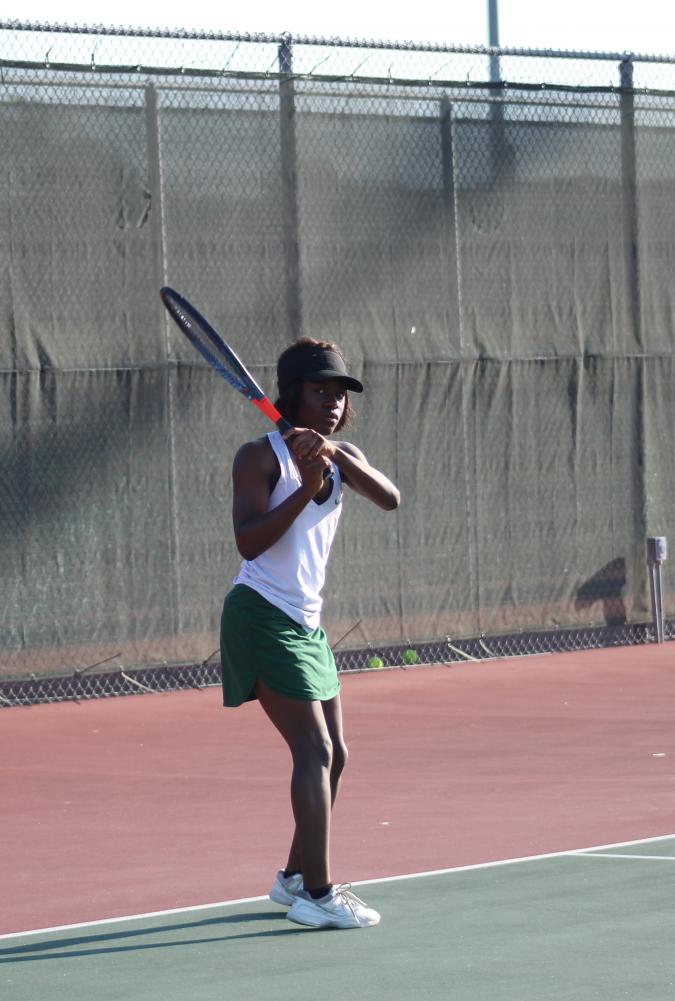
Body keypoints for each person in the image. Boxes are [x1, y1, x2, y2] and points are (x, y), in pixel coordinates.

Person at [219, 337, 401, 930]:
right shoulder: (259, 456)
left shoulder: (341, 452)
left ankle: (294, 877)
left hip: (306, 623)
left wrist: (334, 458)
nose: (332, 403)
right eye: (321, 391)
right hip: (260, 614)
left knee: (337, 755)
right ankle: (318, 895)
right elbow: (249, 542)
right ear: (293, 393)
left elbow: (390, 498)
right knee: (314, 751)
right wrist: (302, 485)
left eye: (341, 394)